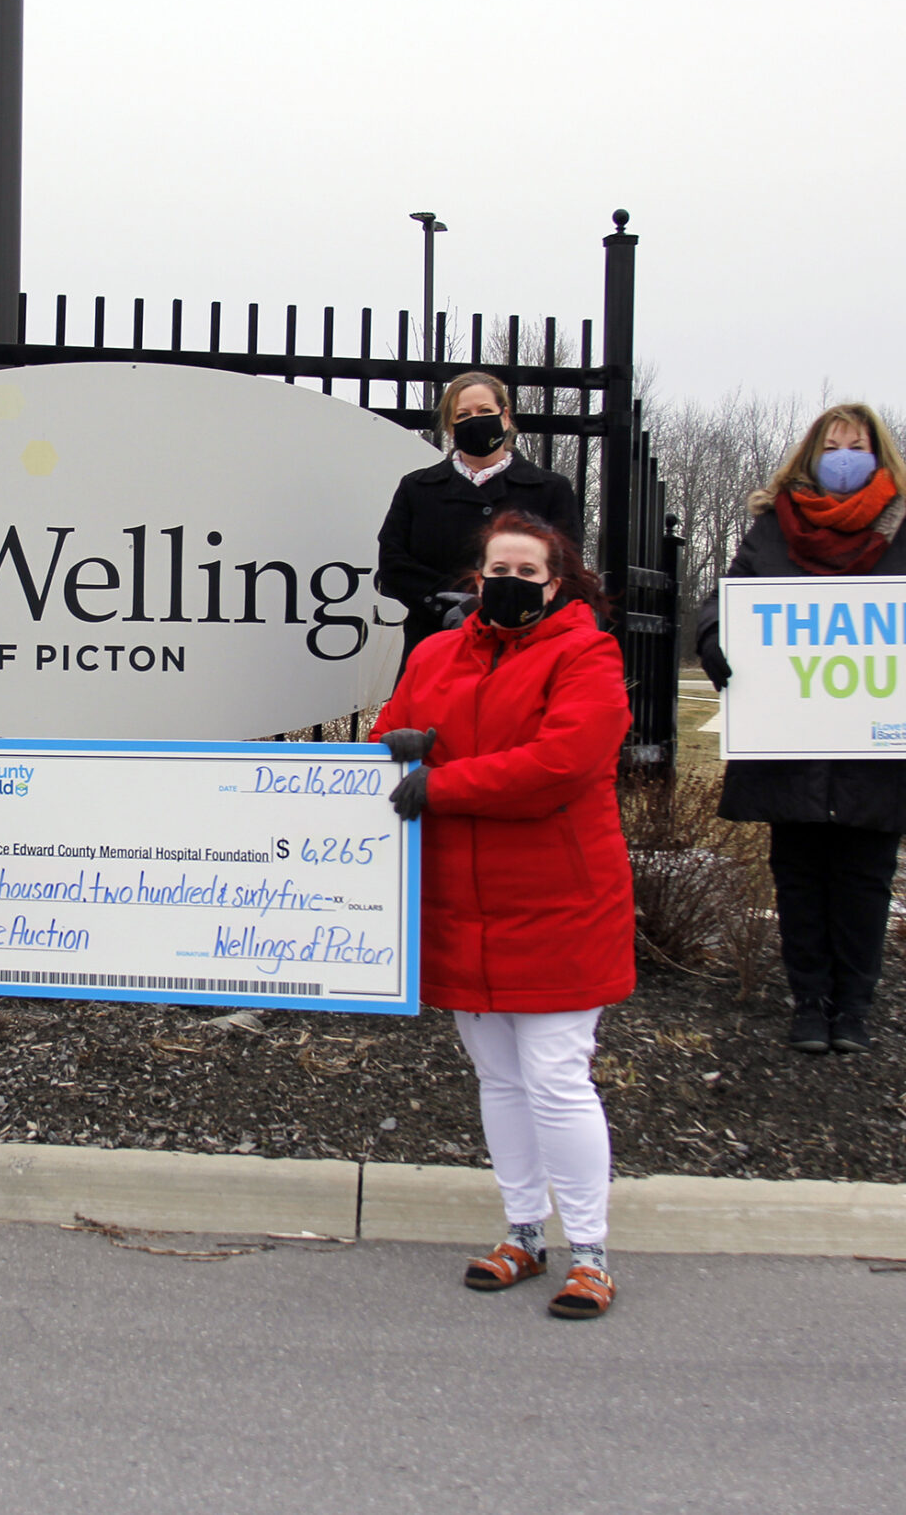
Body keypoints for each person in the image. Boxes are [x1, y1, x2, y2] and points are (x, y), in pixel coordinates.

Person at [372, 512, 635, 1320]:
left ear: (557, 584)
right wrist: (400, 745)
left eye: (528, 572)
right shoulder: (435, 653)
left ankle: (589, 1251)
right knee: (500, 1079)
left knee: (556, 1077)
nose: (510, 583)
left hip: (559, 901)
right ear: (476, 577)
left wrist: (441, 784)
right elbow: (388, 734)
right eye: (498, 570)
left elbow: (562, 764)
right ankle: (523, 1232)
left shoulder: (587, 654)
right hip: (463, 902)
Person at [692, 402, 906, 1055]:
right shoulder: (772, 530)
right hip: (790, 742)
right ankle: (808, 1005)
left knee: (866, 880)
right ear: (810, 455)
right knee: (798, 878)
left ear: (878, 455)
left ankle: (853, 1009)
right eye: (832, 445)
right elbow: (729, 597)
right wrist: (713, 635)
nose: (844, 457)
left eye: (856, 445)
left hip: (878, 746)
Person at [377, 372, 582, 673]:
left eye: (485, 411)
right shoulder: (417, 488)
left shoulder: (551, 489)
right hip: (435, 647)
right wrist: (446, 602)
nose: (475, 420)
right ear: (451, 426)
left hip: (523, 653)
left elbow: (567, 569)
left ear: (505, 416)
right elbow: (393, 563)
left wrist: (508, 606)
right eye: (463, 415)